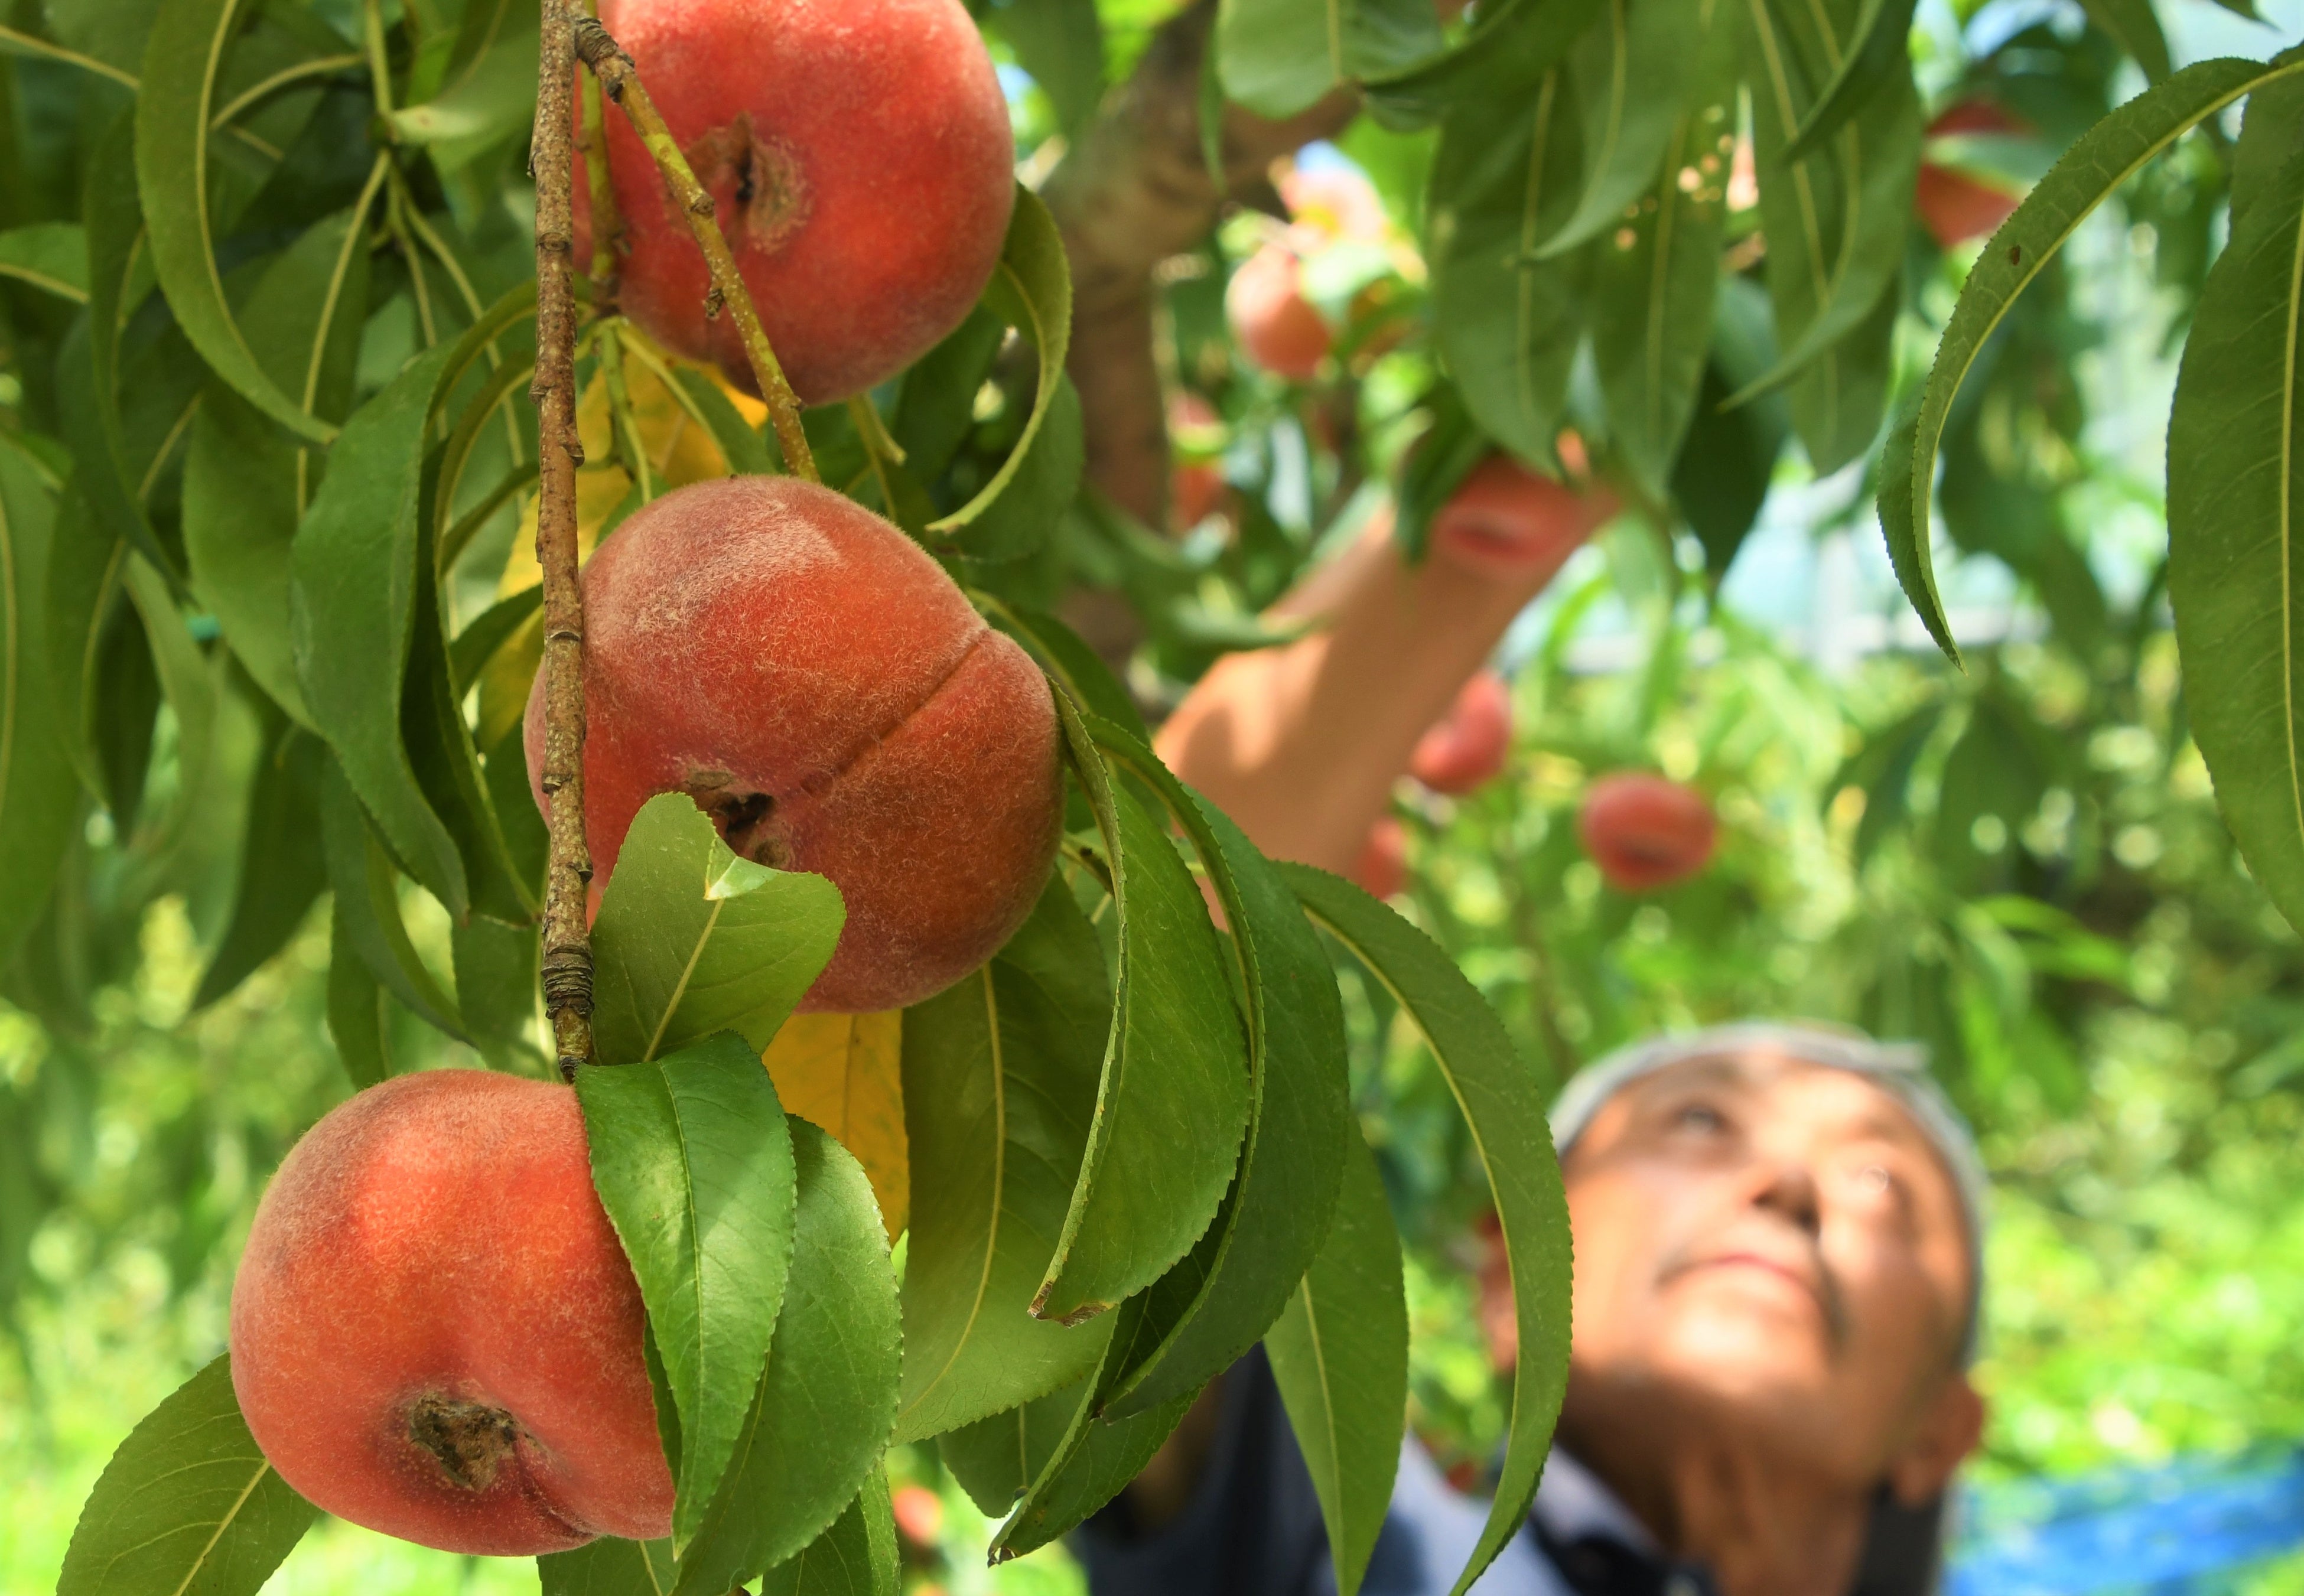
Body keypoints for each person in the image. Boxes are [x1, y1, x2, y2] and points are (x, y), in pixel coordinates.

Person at [1081, 474, 1989, 1595]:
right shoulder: (1363, 1555)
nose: (1790, 1184)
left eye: (1881, 1183)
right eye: (1700, 1122)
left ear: (1944, 1428)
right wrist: (1530, 456)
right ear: (1511, 1281)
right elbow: (1131, 1031)